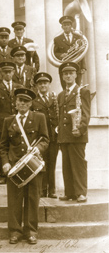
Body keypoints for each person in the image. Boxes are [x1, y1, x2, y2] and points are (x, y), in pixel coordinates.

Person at [0, 88, 49, 245]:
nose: (22, 104)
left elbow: (45, 140)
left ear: (30, 104)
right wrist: (5, 162)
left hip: (33, 166)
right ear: (15, 103)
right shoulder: (9, 121)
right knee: (14, 200)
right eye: (20, 101)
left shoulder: (39, 117)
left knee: (33, 198)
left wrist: (38, 148)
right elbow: (2, 146)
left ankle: (31, 231)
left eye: (26, 101)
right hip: (15, 167)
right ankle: (15, 231)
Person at [57, 62, 90, 203]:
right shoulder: (61, 94)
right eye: (66, 74)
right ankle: (70, 192)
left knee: (78, 164)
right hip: (65, 135)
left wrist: (80, 129)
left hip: (77, 134)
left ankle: (81, 193)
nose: (68, 76)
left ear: (76, 75)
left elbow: (86, 113)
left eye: (71, 73)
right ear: (63, 77)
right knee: (67, 165)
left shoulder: (82, 91)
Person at [0, 62, 21, 184]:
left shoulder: (19, 87)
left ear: (13, 72)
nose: (8, 74)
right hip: (2, 123)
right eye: (5, 72)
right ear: (1, 73)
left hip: (17, 122)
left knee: (16, 146)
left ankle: (15, 171)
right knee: (2, 147)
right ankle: (3, 174)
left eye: (10, 72)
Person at [32, 72, 59, 198]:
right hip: (40, 139)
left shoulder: (54, 99)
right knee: (42, 163)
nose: (43, 85)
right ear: (37, 85)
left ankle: (52, 190)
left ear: (49, 84)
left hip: (53, 137)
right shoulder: (34, 101)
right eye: (40, 83)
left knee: (52, 163)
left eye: (45, 83)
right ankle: (42, 190)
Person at [54, 16, 86, 86]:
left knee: (77, 87)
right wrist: (61, 55)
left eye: (68, 25)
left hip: (77, 66)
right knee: (65, 88)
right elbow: (54, 53)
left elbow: (82, 52)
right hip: (64, 67)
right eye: (64, 25)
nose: (66, 27)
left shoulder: (78, 37)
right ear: (62, 27)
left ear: (71, 26)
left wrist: (83, 66)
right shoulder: (57, 39)